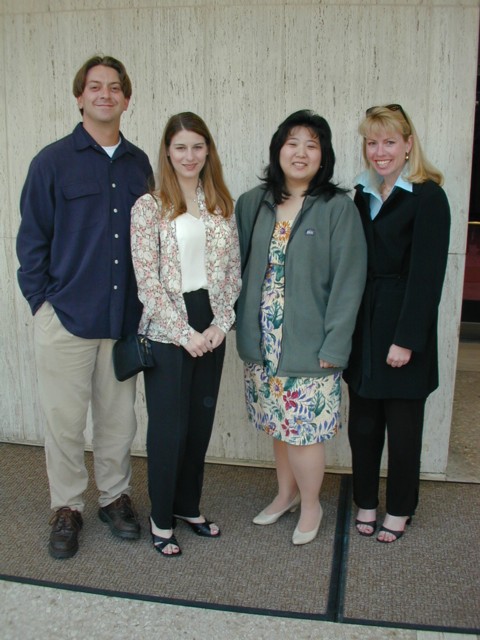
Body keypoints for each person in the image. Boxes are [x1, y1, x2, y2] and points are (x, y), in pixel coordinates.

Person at [16, 55, 153, 559]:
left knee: (119, 421)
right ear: (79, 97)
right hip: (67, 319)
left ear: (126, 98)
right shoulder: (52, 162)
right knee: (65, 422)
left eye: (114, 87)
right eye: (94, 87)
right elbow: (32, 242)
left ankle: (114, 498)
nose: (104, 95)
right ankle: (67, 506)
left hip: (121, 322)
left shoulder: (140, 164)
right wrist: (42, 304)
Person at [235, 110, 367, 545]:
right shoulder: (254, 203)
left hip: (311, 346)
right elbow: (236, 269)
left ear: (323, 156)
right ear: (278, 150)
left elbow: (350, 282)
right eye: (292, 142)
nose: (301, 152)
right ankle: (286, 494)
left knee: (304, 433)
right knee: (278, 425)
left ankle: (312, 505)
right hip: (263, 341)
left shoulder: (337, 209)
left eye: (312, 144)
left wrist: (336, 344)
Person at [130, 112, 241, 557]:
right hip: (166, 326)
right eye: (181, 147)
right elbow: (147, 281)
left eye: (197, 146)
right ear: (168, 152)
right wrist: (183, 332)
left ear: (207, 150)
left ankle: (188, 506)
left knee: (199, 426)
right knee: (169, 430)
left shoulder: (221, 205)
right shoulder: (149, 207)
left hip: (210, 321)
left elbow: (233, 272)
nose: (190, 155)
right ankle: (161, 519)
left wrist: (220, 323)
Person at [343, 104, 451, 543]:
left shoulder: (428, 196)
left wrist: (406, 340)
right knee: (364, 426)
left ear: (408, 145)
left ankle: (401, 508)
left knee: (403, 430)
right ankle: (365, 500)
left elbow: (427, 277)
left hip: (404, 325)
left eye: (389, 141)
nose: (380, 151)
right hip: (363, 326)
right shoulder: (362, 193)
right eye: (372, 142)